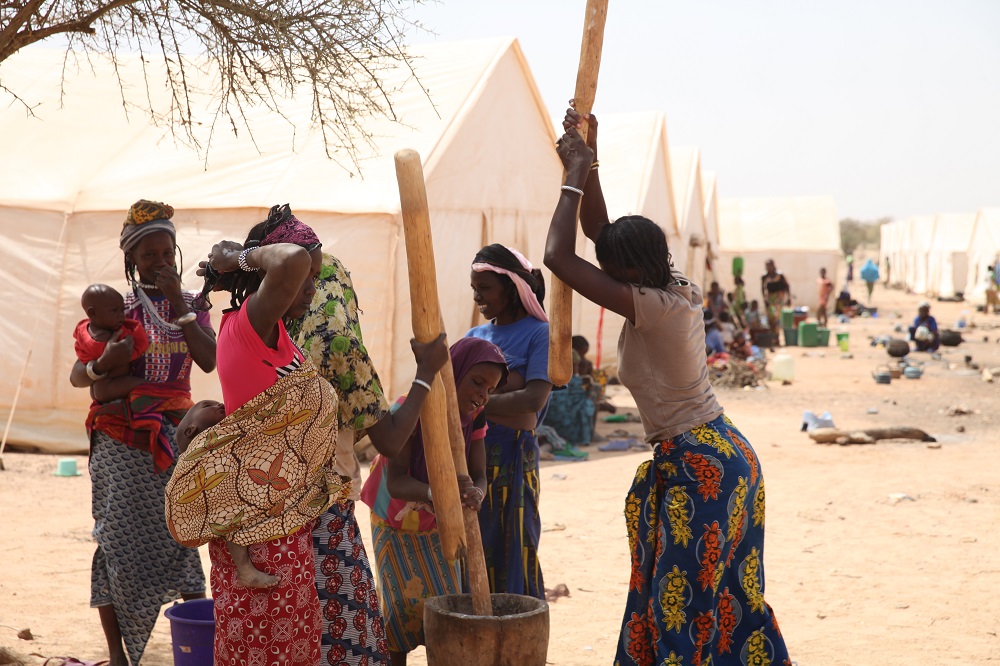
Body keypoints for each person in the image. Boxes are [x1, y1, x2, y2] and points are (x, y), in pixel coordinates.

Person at [547, 106, 790, 666]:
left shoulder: (652, 308)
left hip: (699, 465)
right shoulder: (673, 285)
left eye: (611, 268)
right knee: (727, 600)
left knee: (679, 609)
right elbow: (598, 233)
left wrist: (571, 177)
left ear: (627, 275)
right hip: (727, 454)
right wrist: (592, 157)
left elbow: (559, 256)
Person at [170, 205, 352, 664]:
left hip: (282, 523)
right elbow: (289, 258)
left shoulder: (275, 337)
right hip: (263, 532)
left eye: (315, 275)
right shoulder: (248, 329)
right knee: (265, 648)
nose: (311, 285)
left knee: (291, 646)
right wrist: (240, 258)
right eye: (307, 278)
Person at [68, 199, 215, 666]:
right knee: (115, 538)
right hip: (121, 440)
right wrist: (100, 365)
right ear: (131, 258)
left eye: (165, 251)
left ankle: (195, 652)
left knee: (182, 534)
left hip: (176, 437)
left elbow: (209, 360)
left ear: (176, 251)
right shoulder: (118, 308)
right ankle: (117, 656)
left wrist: (178, 305)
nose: (159, 261)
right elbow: (78, 374)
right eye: (148, 254)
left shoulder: (192, 305)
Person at [287, 250, 449, 666]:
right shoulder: (337, 342)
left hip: (278, 508)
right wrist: (425, 373)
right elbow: (391, 441)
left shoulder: (275, 332)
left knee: (300, 630)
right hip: (326, 510)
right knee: (346, 634)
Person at [360, 337, 508, 666]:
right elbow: (396, 483)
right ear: (455, 371)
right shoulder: (408, 412)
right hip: (395, 522)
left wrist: (476, 494)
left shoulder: (475, 418)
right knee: (398, 610)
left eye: (490, 389)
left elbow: (479, 474)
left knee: (443, 610)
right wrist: (438, 494)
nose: (483, 395)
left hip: (438, 525)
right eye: (477, 382)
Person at [466, 243, 553, 599]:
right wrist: (506, 396)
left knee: (517, 543)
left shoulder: (540, 333)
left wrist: (478, 403)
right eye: (474, 289)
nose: (477, 296)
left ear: (511, 286)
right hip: (475, 459)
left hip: (515, 459)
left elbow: (533, 403)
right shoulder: (475, 337)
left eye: (484, 288)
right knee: (476, 546)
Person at [74, 283, 149, 402]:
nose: (122, 316)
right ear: (92, 313)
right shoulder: (94, 335)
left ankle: (152, 388)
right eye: (115, 311)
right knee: (101, 391)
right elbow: (75, 379)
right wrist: (101, 364)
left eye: (122, 310)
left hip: (115, 387)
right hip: (108, 387)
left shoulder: (114, 326)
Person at [761, 259, 790, 342]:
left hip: (779, 298)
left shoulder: (779, 275)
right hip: (770, 299)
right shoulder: (765, 276)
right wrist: (765, 299)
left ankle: (776, 337)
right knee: (770, 317)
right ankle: (772, 336)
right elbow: (763, 288)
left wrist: (788, 298)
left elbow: (786, 286)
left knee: (776, 316)